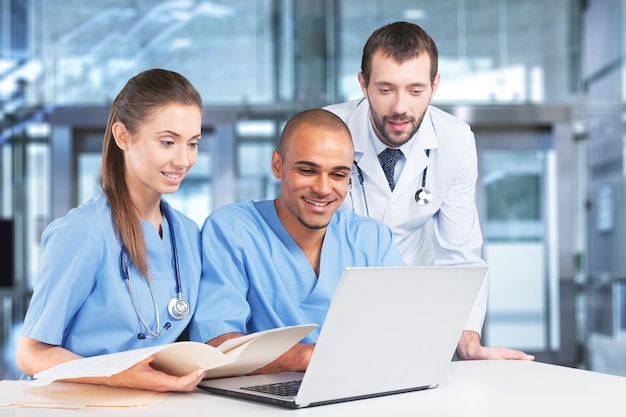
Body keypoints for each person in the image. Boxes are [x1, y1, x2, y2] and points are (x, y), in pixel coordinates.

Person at [325, 21, 534, 361]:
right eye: (385, 89)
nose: (400, 108)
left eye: (416, 90)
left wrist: (466, 338)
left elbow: (460, 252)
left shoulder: (455, 140)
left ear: (435, 86)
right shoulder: (326, 132)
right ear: (362, 84)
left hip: (412, 313)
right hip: (329, 311)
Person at [16, 69, 206, 391]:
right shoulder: (83, 231)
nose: (183, 159)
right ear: (123, 137)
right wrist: (115, 374)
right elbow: (31, 353)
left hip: (151, 403)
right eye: (167, 142)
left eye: (193, 144)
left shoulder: (188, 235)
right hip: (74, 404)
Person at [189, 108, 405, 373]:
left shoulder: (372, 239)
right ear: (277, 165)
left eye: (338, 175)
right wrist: (305, 358)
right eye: (307, 170)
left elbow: (402, 332)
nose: (323, 188)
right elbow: (216, 345)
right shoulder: (232, 230)